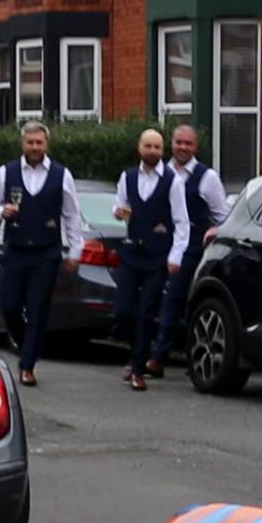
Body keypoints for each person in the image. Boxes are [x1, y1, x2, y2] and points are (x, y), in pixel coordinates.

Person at [0, 120, 82, 387]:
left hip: (46, 252)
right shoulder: (7, 172)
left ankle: (27, 365)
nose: (35, 147)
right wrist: (1, 210)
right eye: (30, 142)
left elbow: (71, 215)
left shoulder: (62, 175)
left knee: (37, 309)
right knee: (9, 306)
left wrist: (74, 251)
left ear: (46, 144)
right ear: (22, 143)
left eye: (39, 143)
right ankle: (27, 345)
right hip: (15, 248)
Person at [112, 128, 189, 391]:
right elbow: (119, 206)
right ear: (139, 148)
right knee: (123, 311)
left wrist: (175, 256)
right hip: (132, 253)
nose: (153, 151)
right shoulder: (127, 177)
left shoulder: (173, 180)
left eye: (157, 147)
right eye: (148, 146)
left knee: (147, 312)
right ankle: (138, 353)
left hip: (158, 257)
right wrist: (118, 212)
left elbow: (181, 222)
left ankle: (137, 369)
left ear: (162, 150)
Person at [150, 125, 229, 374]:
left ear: (196, 147)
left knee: (175, 299)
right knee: (152, 300)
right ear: (171, 143)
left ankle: (159, 357)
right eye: (178, 142)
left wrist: (215, 230)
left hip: (191, 248)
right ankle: (147, 354)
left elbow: (222, 216)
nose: (183, 147)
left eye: (188, 143)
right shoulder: (160, 172)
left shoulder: (207, 178)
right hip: (160, 245)